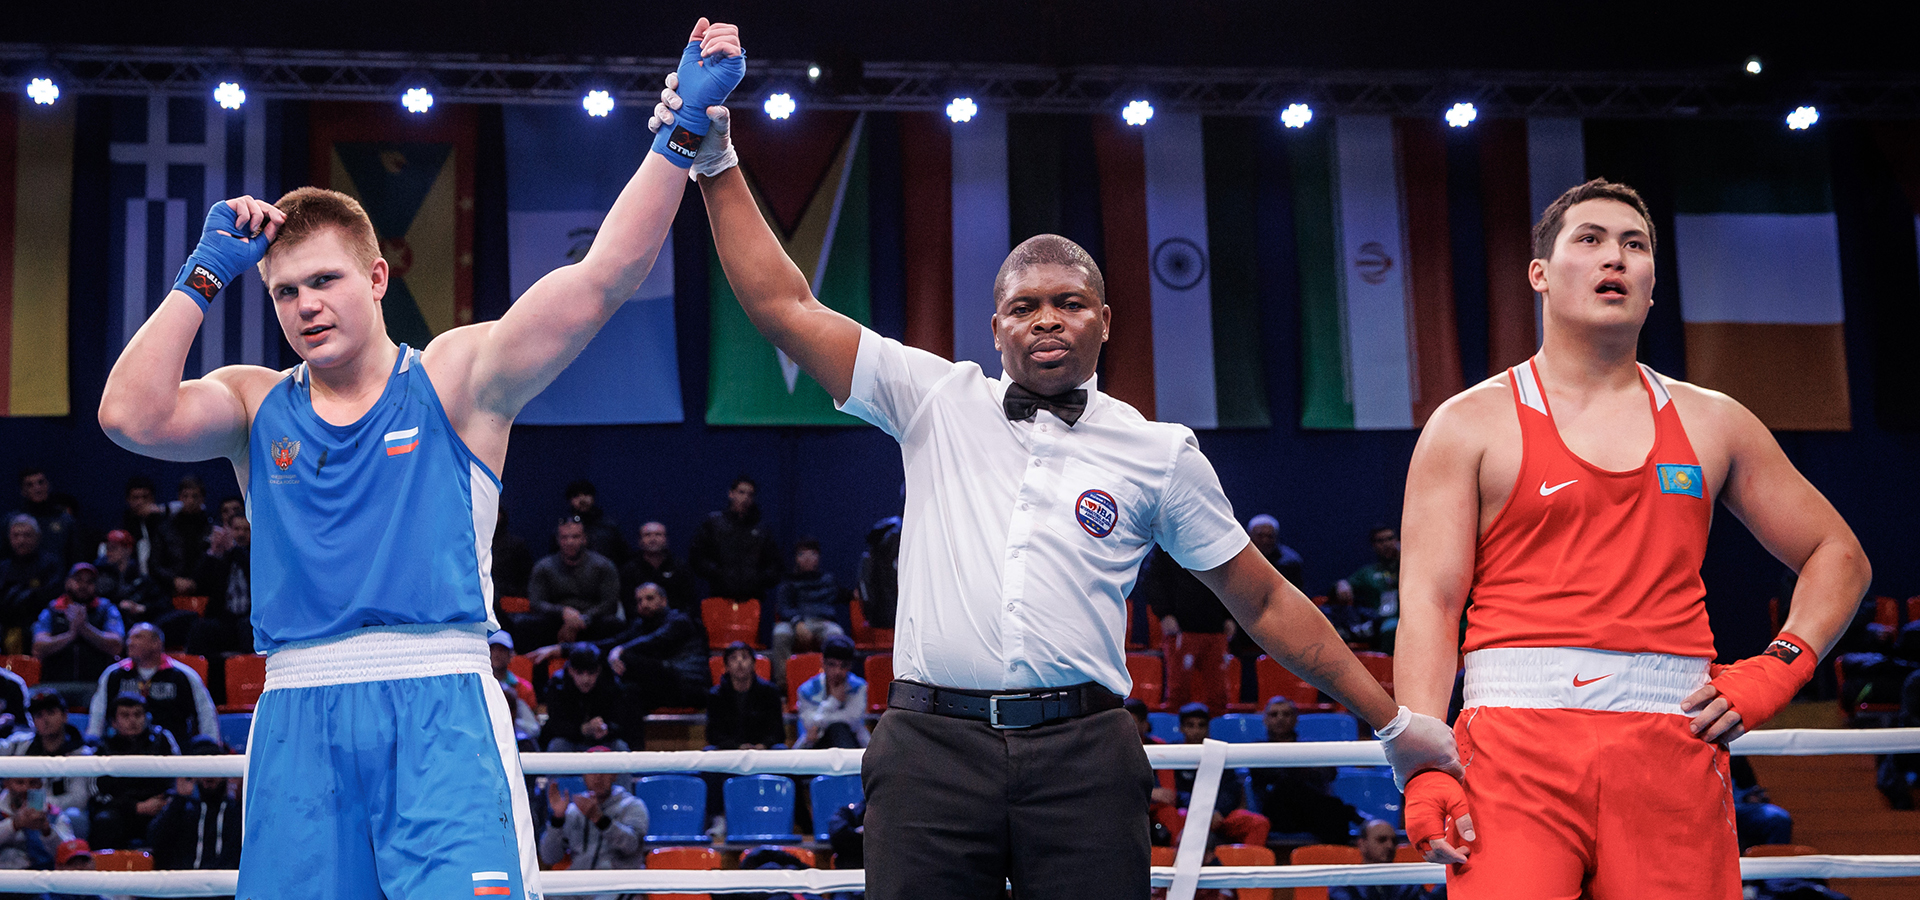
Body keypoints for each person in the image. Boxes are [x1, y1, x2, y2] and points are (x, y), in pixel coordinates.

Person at [666, 80, 1457, 900]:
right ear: (996, 328)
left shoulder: (1159, 453)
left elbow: (1263, 600)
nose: (1046, 319)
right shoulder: (934, 399)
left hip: (1085, 755)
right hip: (930, 751)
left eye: (1069, 303)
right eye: (1025, 307)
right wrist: (716, 162)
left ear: (1104, 321)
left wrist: (1391, 720)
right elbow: (785, 307)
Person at [95, 19, 742, 898]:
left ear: (375, 279)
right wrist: (204, 274)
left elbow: (601, 280)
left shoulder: (456, 379)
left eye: (324, 280)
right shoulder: (254, 402)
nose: (304, 305)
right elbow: (128, 415)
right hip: (296, 714)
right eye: (284, 291)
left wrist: (682, 131)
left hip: (440, 706)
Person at [1397, 178, 1871, 899]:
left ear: (1652, 287)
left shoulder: (1714, 421)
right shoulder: (1468, 424)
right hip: (1511, 749)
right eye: (1589, 239)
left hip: (1673, 743)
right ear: (1540, 274)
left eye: (1634, 245)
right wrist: (1425, 759)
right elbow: (1431, 603)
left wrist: (1779, 668)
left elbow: (1839, 555)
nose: (1614, 257)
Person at [537, 746, 649, 900]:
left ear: (614, 774)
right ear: (584, 775)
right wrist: (557, 819)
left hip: (619, 882)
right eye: (592, 771)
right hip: (579, 883)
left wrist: (599, 819)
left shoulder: (633, 806)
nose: (598, 777)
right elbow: (549, 857)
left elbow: (631, 846)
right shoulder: (574, 810)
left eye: (604, 770)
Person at [1158, 703, 1270, 852]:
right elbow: (1173, 792)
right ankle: (1177, 863)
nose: (1196, 731)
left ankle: (1246, 864)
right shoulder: (1171, 753)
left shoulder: (1219, 751)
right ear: (1181, 728)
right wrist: (1202, 810)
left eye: (1201, 725)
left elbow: (1230, 790)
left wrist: (1216, 811)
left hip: (1219, 815)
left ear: (1208, 727)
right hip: (1187, 814)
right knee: (1171, 814)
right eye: (1190, 725)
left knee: (1258, 823)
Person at [1138, 545, 1234, 715]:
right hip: (1181, 629)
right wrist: (1165, 613)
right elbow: (1151, 579)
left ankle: (1217, 731)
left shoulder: (1219, 541)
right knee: (1178, 692)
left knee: (1219, 695)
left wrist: (1230, 615)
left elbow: (1230, 579)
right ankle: (1176, 732)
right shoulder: (1168, 543)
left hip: (1216, 628)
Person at [1249, 695, 1357, 844]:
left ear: (1296, 719)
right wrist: (1303, 769)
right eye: (1274, 714)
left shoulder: (1310, 747)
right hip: (1278, 813)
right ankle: (1351, 813)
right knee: (1289, 786)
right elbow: (1269, 777)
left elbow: (1330, 773)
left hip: (1310, 813)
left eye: (1286, 714)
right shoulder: (1256, 749)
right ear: (1265, 720)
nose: (1280, 718)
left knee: (1332, 814)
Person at [87, 623, 219, 744]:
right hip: (122, 749)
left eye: (137, 637)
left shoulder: (183, 675)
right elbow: (98, 712)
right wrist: (92, 742)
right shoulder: (114, 674)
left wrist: (211, 746)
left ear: (156, 643)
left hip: (174, 750)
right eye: (129, 638)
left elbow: (205, 712)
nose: (129, 643)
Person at [147, 736, 244, 894]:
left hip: (225, 891)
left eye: (214, 768)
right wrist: (179, 799)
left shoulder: (236, 812)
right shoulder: (183, 810)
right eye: (203, 768)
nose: (209, 775)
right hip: (185, 891)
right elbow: (155, 840)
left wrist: (244, 798)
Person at [603, 582, 709, 717]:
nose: (644, 604)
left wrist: (620, 650)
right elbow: (615, 641)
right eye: (639, 601)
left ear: (664, 600)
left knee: (626, 658)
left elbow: (655, 640)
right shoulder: (641, 625)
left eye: (650, 598)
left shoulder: (680, 620)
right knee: (628, 691)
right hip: (660, 687)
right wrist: (581, 648)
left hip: (687, 683)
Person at [89, 692, 180, 849]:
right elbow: (97, 791)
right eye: (125, 715)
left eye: (138, 715)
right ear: (113, 722)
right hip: (121, 810)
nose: (132, 720)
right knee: (104, 821)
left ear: (147, 717)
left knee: (178, 818)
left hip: (158, 806)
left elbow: (177, 778)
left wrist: (165, 800)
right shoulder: (102, 748)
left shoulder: (163, 740)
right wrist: (135, 807)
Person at [524, 517, 623, 649]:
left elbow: (609, 603)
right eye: (564, 537)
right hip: (556, 620)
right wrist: (562, 612)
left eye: (575, 537)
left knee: (613, 624)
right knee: (525, 624)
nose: (570, 542)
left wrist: (582, 619)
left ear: (585, 539)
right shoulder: (543, 567)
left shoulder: (604, 566)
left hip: (592, 621)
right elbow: (536, 602)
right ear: (558, 540)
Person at [6, 689, 94, 837]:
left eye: (51, 712)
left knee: (76, 817)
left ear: (64, 716)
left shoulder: (82, 753)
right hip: (18, 812)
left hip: (58, 814)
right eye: (39, 715)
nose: (45, 720)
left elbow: (79, 799)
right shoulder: (18, 744)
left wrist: (38, 805)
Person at [32, 564, 126, 695]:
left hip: (96, 685)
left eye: (89, 581)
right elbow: (38, 647)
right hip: (55, 685)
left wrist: (85, 629)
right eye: (78, 580)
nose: (83, 585)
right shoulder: (52, 610)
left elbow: (117, 646)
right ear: (68, 582)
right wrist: (70, 635)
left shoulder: (106, 609)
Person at [687, 477, 782, 603]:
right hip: (719, 595)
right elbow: (697, 556)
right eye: (741, 492)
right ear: (731, 494)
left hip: (752, 598)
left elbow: (775, 564)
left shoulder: (762, 529)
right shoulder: (714, 524)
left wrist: (757, 579)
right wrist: (717, 574)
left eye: (750, 494)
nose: (745, 498)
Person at [769, 539, 846, 686]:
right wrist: (797, 622)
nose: (807, 558)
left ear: (818, 557)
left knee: (836, 635)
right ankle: (785, 685)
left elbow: (844, 595)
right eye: (802, 554)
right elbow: (784, 608)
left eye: (812, 554)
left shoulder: (828, 580)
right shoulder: (788, 581)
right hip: (793, 623)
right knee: (780, 633)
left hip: (822, 622)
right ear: (796, 559)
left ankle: (834, 683)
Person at [539, 644, 631, 754]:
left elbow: (622, 722)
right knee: (557, 745)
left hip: (604, 740)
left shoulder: (612, 684)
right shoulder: (557, 685)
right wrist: (582, 729)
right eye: (580, 673)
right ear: (570, 670)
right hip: (570, 741)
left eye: (591, 673)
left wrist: (606, 729)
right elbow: (556, 724)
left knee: (620, 747)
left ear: (598, 670)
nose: (585, 679)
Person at [1327, 819, 1440, 900]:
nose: (1389, 846)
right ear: (1362, 844)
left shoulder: (1409, 885)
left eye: (1394, 841)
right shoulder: (1344, 884)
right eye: (1381, 840)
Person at [706, 641, 785, 752]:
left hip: (762, 749)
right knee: (709, 750)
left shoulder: (770, 692)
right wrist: (736, 746)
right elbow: (713, 734)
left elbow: (778, 732)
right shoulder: (716, 695)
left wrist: (763, 745)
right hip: (729, 750)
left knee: (780, 748)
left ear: (753, 664)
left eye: (744, 657)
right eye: (733, 658)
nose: (739, 662)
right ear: (727, 666)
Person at [1, 514, 62, 653]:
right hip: (6, 630)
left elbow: (50, 598)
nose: (21, 540)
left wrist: (17, 596)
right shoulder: (3, 568)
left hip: (41, 632)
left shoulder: (50, 565)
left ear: (38, 537)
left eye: (27, 535)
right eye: (16, 535)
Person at [794, 635, 868, 749]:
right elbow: (809, 724)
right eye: (832, 664)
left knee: (838, 729)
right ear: (823, 663)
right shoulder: (806, 690)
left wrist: (819, 722)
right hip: (814, 742)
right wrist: (834, 701)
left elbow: (852, 720)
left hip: (851, 740)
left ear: (850, 666)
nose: (837, 671)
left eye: (843, 666)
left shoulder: (859, 686)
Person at [1333, 526, 1400, 652]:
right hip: (1381, 624)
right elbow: (1342, 586)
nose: (1386, 544)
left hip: (1410, 617)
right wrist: (1341, 583)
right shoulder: (1368, 573)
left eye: (1390, 539)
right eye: (1380, 541)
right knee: (1392, 628)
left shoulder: (1409, 567)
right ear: (1373, 546)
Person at [620, 521, 698, 622]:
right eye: (647, 535)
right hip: (641, 623)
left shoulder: (680, 567)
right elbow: (628, 604)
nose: (653, 539)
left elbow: (689, 602)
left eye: (658, 535)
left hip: (676, 622)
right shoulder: (629, 570)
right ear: (640, 541)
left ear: (666, 539)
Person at [1, 774, 81, 872]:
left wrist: (47, 831)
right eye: (20, 783)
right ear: (7, 784)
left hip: (45, 875)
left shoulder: (53, 813)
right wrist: (14, 824)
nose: (26, 788)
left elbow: (69, 852)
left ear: (40, 785)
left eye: (33, 783)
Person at [10, 468, 81, 569]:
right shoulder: (11, 522)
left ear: (48, 485)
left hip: (59, 576)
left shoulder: (65, 521)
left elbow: (75, 557)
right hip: (22, 576)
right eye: (30, 485)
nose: (37, 488)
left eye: (41, 482)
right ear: (23, 491)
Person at [488, 631, 541, 748]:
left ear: (511, 655)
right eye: (492, 649)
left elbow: (530, 724)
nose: (496, 654)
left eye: (502, 650)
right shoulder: (478, 686)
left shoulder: (525, 688)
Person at [559, 479, 626, 566]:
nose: (582, 499)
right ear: (570, 501)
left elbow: (623, 557)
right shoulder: (562, 530)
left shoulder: (610, 527)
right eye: (576, 496)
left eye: (586, 494)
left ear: (593, 498)